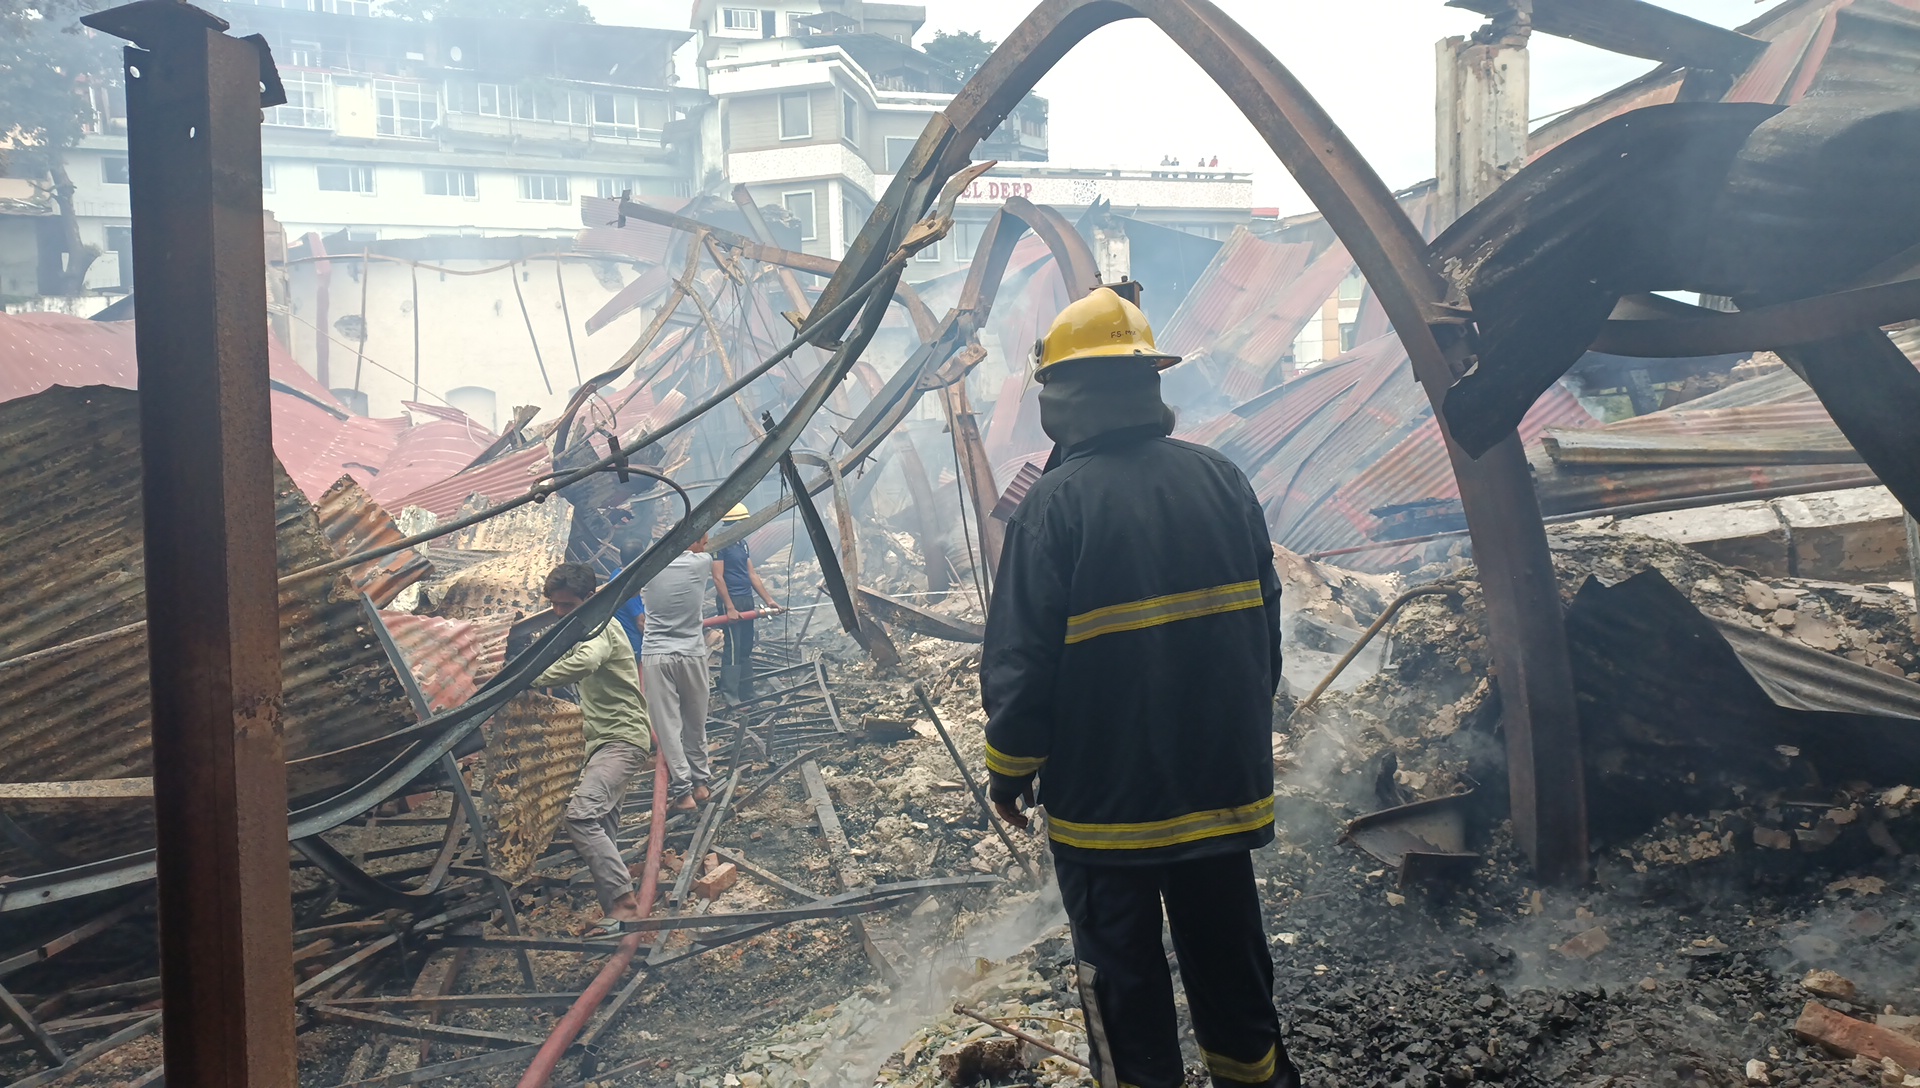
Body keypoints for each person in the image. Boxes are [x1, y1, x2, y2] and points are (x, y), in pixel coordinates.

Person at [980, 286, 1296, 1088]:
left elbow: (1020, 663)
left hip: (1107, 808)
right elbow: (1266, 631)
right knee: (1230, 962)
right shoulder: (1222, 479)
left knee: (1124, 982)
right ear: (1148, 385)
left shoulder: (1052, 507)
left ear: (1062, 396)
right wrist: (1238, 733)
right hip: (1220, 789)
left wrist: (1009, 770)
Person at [535, 563, 653, 937]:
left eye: (566, 606)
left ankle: (625, 906)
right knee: (602, 825)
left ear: (589, 600)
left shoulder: (601, 628)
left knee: (581, 815)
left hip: (621, 740)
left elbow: (585, 661)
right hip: (604, 743)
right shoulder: (586, 628)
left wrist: (530, 676)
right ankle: (617, 918)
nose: (558, 613)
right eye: (554, 605)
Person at [641, 531, 715, 813]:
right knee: (695, 722)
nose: (705, 548)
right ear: (692, 542)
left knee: (668, 726)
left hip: (657, 655)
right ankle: (701, 784)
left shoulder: (646, 568)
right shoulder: (702, 563)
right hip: (692, 653)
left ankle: (683, 793)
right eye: (703, 542)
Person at [710, 504, 781, 700]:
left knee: (745, 646)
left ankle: (747, 692)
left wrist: (769, 600)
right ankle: (730, 694)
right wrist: (730, 608)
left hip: (746, 598)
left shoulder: (741, 542)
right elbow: (718, 577)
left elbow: (752, 573)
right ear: (735, 523)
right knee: (733, 647)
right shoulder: (720, 543)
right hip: (731, 601)